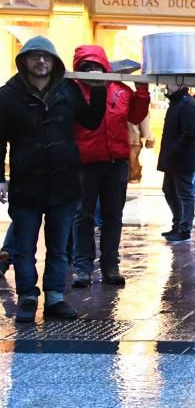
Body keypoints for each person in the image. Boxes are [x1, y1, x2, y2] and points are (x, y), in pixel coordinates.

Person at [0, 37, 106, 322]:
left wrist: (98, 92)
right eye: (35, 56)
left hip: (64, 182)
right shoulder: (7, 95)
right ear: (24, 61)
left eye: (46, 57)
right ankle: (27, 296)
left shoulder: (67, 90)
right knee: (24, 246)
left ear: (54, 62)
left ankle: (55, 297)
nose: (41, 62)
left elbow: (92, 121)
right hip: (26, 183)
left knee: (60, 246)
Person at [69, 45, 150, 287]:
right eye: (87, 67)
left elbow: (135, 117)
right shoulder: (73, 92)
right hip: (85, 163)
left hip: (116, 161)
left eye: (96, 66)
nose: (93, 71)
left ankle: (110, 266)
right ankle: (82, 267)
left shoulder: (121, 90)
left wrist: (142, 91)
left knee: (113, 216)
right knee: (83, 215)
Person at [158, 82, 195, 244]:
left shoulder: (186, 103)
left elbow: (190, 133)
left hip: (181, 159)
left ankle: (184, 229)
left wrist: (174, 150)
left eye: (170, 83)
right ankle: (178, 224)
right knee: (169, 190)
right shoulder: (177, 102)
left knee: (185, 193)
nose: (166, 86)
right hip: (173, 158)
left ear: (180, 83)